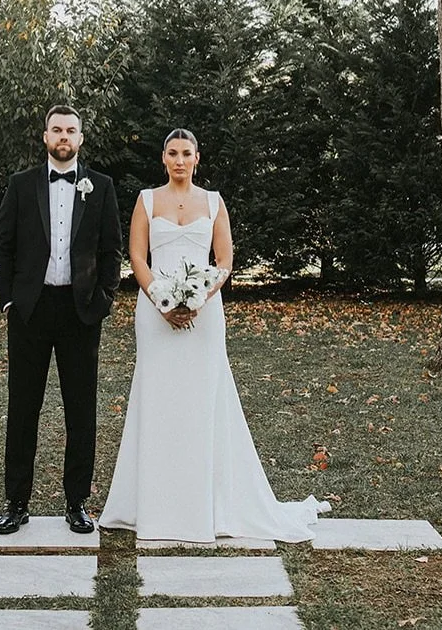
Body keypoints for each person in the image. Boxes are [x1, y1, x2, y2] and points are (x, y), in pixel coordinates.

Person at [100, 128, 324, 543]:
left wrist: (200, 297)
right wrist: (161, 300)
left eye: (187, 153)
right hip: (155, 314)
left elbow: (224, 260)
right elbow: (136, 255)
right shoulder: (147, 200)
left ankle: (207, 502)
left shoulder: (214, 202)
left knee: (203, 399)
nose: (180, 160)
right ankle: (155, 504)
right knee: (159, 399)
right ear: (163, 159)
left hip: (205, 313)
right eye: (172, 153)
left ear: (197, 158)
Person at [0, 104, 122, 535]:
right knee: (23, 407)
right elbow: (3, 246)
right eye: (56, 130)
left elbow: (111, 251)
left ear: (80, 139)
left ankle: (77, 502)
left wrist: (103, 300)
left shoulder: (100, 187)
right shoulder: (21, 185)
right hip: (30, 310)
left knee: (80, 410)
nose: (63, 137)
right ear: (45, 137)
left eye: (71, 130)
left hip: (80, 312)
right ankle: (16, 501)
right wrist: (8, 301)